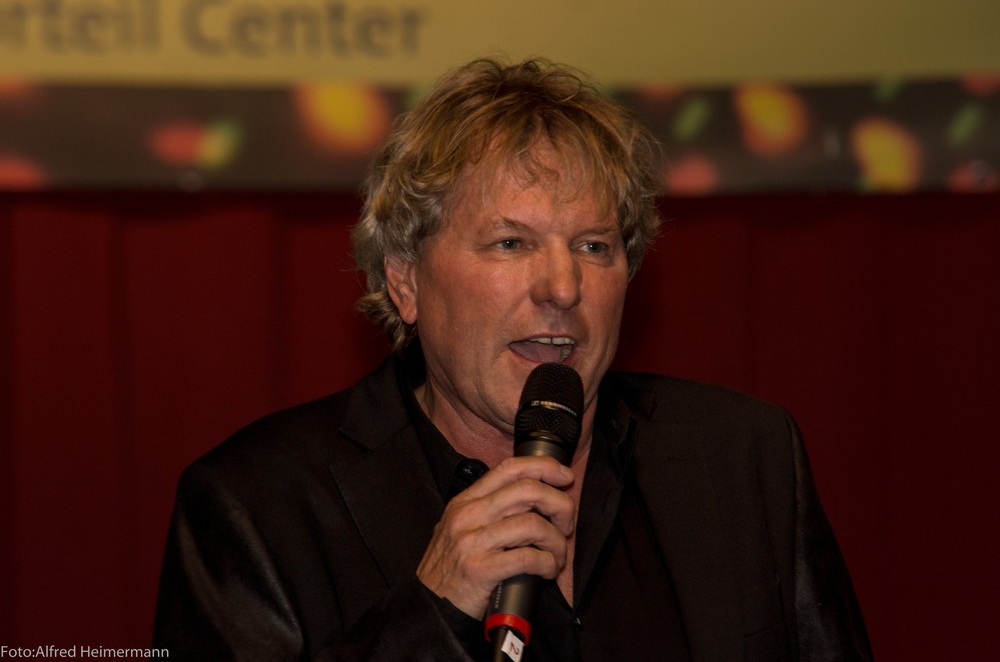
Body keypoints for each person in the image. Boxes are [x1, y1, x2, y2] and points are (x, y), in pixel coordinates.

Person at [153, 57, 872, 661]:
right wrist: (433, 609)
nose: (563, 287)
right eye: (511, 243)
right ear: (405, 280)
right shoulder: (257, 508)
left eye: (594, 246)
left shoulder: (745, 458)